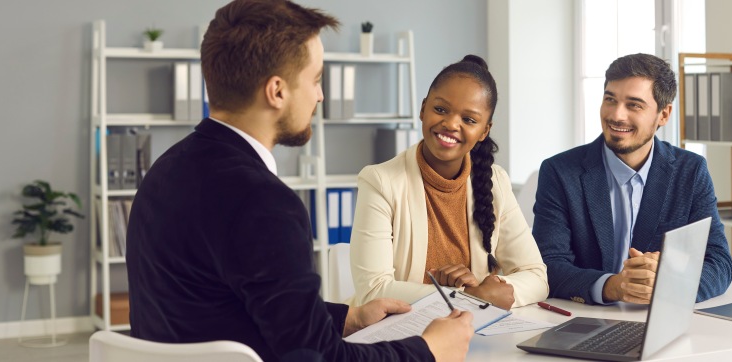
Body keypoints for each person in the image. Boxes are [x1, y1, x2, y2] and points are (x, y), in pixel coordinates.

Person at [125, 1, 474, 361]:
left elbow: (222, 304)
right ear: (277, 91)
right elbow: (320, 358)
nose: (320, 95)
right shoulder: (265, 202)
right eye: (316, 79)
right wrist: (428, 350)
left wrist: (347, 318)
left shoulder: (165, 172)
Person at [349, 55, 549, 311]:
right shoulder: (380, 181)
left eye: (469, 120)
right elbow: (373, 291)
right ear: (423, 109)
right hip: (398, 336)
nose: (451, 124)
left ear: (484, 131)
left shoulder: (495, 181)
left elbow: (536, 276)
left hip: (472, 335)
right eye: (441, 109)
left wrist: (491, 290)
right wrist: (468, 297)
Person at [532, 53, 732, 306]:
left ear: (664, 114)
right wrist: (612, 286)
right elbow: (546, 265)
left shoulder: (690, 171)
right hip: (584, 320)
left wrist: (670, 283)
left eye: (634, 105)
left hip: (660, 321)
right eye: (610, 99)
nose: (617, 115)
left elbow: (718, 262)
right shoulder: (560, 172)